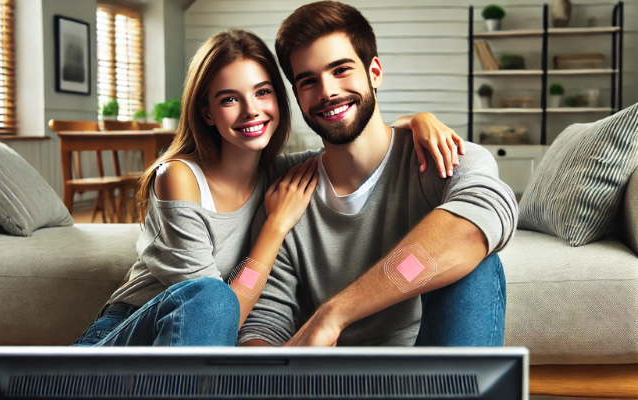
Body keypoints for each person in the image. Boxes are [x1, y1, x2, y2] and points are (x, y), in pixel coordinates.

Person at [72, 28, 465, 347]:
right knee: (212, 298)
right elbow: (221, 317)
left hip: (193, 355)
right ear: (206, 111)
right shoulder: (179, 178)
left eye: (262, 92)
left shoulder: (281, 173)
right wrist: (274, 228)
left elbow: (354, 137)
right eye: (229, 99)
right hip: (133, 334)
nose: (251, 111)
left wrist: (417, 120)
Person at [238, 1, 518, 348]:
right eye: (309, 81)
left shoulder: (443, 157)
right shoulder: (287, 192)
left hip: (424, 370)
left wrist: (335, 313)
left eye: (341, 70)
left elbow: (483, 218)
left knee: (477, 265)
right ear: (297, 95)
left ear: (374, 73)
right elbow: (263, 325)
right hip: (328, 379)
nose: (327, 92)